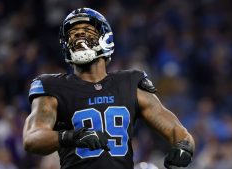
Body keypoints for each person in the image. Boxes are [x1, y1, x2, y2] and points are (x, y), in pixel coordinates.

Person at [23, 7, 195, 169]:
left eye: (86, 32)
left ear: (105, 38)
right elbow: (32, 138)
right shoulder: (53, 86)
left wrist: (184, 147)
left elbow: (178, 131)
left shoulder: (129, 83)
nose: (79, 38)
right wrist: (73, 136)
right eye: (73, 34)